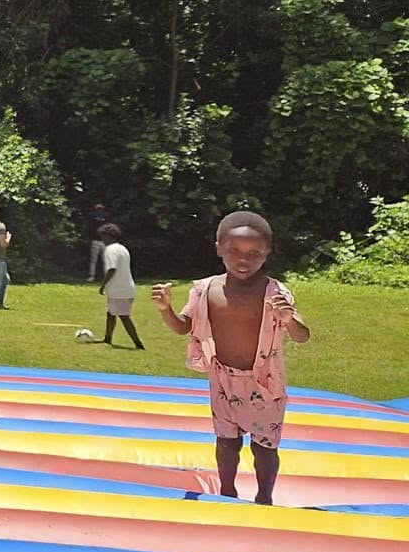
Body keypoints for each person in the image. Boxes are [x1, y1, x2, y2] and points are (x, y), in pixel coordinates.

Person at [151, 211, 311, 505]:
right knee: (226, 443)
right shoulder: (205, 290)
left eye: (254, 253)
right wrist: (165, 310)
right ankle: (227, 492)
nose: (243, 259)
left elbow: (302, 336)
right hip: (223, 378)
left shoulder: (275, 292)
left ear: (267, 254)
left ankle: (264, 496)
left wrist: (288, 319)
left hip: (265, 383)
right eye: (234, 251)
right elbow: (183, 326)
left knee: (264, 448)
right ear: (219, 249)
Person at [95, 222, 144, 348]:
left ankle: (138, 343)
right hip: (127, 287)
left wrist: (103, 285)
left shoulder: (110, 250)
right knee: (111, 313)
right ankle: (107, 338)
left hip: (119, 289)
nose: (102, 240)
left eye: (103, 236)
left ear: (108, 236)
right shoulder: (122, 248)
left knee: (123, 316)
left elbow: (112, 269)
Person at [87, 201, 111, 281]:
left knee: (99, 260)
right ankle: (94, 276)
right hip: (98, 240)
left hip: (101, 240)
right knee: (99, 260)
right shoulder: (94, 216)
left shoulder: (105, 216)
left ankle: (98, 276)